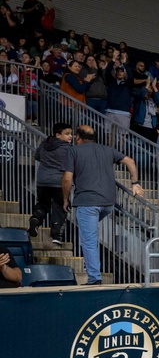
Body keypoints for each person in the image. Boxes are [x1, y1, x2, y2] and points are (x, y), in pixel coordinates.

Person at [62, 125, 143, 285]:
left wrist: (65, 199)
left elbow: (66, 178)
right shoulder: (107, 149)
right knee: (88, 235)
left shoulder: (74, 151)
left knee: (89, 240)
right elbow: (130, 161)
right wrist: (135, 183)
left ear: (78, 137)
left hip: (88, 202)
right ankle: (92, 267)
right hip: (108, 203)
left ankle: (94, 278)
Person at [28, 122, 73, 245]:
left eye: (71, 134)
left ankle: (36, 219)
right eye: (67, 134)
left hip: (42, 181)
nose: (71, 136)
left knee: (42, 204)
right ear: (58, 135)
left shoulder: (45, 143)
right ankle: (56, 235)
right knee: (60, 207)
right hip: (59, 182)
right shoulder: (68, 149)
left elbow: (37, 156)